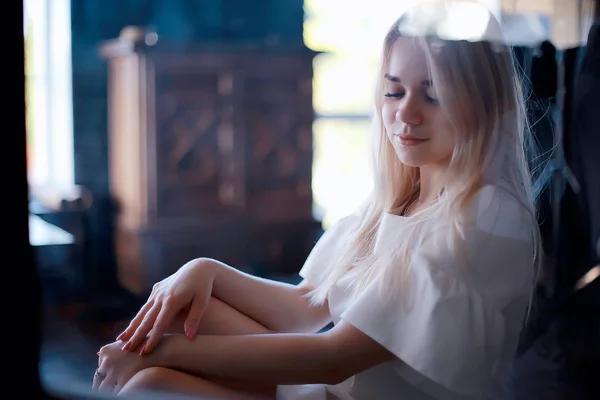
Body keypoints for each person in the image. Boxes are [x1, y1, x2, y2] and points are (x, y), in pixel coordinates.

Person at [93, 2, 543, 399]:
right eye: (393, 91)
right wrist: (204, 269)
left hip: (335, 385)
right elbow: (304, 307)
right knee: (190, 310)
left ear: (485, 103)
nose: (405, 113)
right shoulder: (394, 202)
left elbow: (334, 357)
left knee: (149, 382)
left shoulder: (487, 215)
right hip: (328, 391)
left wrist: (159, 357)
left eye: (434, 94)